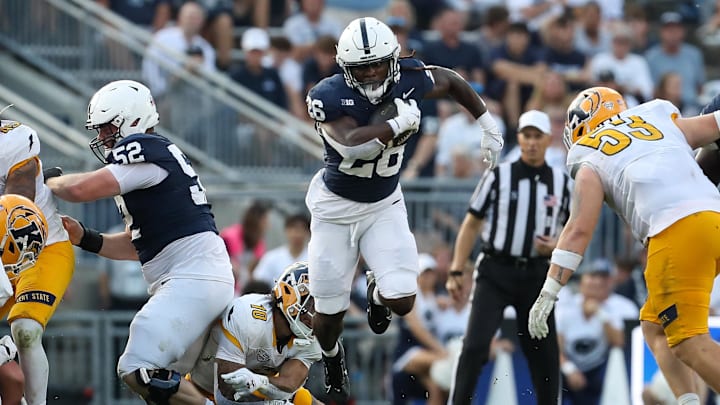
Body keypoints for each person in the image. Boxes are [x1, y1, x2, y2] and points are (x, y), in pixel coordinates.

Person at [304, 16, 504, 401]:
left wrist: (486, 122)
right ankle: (332, 358)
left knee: (403, 296)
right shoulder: (327, 95)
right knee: (327, 316)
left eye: (378, 63)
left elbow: (448, 80)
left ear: (393, 59)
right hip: (334, 209)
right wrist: (394, 125)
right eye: (362, 68)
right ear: (346, 69)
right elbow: (349, 143)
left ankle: (377, 291)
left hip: (383, 203)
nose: (372, 73)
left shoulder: (408, 79)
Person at [45, 79, 235, 405]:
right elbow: (144, 245)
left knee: (137, 368)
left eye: (107, 128)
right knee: (163, 389)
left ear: (131, 120)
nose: (103, 138)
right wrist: (87, 238)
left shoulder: (147, 152)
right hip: (197, 277)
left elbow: (80, 190)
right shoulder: (155, 162)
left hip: (192, 280)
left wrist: (46, 181)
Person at [527, 86, 720, 405]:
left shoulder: (587, 153)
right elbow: (713, 124)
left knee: (688, 341)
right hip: (713, 218)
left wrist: (550, 290)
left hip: (674, 233)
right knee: (654, 327)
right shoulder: (655, 116)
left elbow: (577, 231)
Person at [445, 109, 572, 405]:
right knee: (475, 345)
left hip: (537, 275)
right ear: (519, 138)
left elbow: (574, 228)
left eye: (536, 136)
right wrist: (456, 269)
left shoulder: (562, 183)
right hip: (495, 270)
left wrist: (554, 244)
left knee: (543, 351)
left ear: (547, 139)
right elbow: (472, 222)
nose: (530, 143)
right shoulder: (498, 176)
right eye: (526, 136)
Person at [0, 117, 75, 405]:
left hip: (41, 250)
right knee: (10, 378)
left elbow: (15, 215)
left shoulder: (12, 141)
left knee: (26, 330)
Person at [188, 262, 322, 405]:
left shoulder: (309, 339)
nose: (318, 314)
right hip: (200, 393)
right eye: (313, 304)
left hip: (259, 392)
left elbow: (289, 385)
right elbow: (225, 394)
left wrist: (262, 383)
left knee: (307, 400)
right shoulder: (248, 317)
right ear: (291, 295)